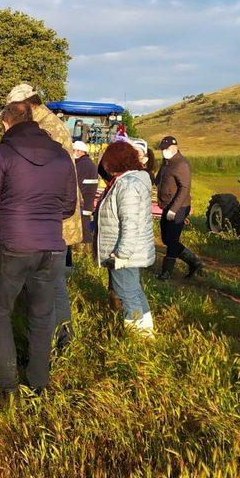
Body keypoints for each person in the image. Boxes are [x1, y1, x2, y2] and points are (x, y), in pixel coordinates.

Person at [0, 100, 77, 403]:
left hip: (14, 244)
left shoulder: (3, 153)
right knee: (42, 315)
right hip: (52, 247)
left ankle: (5, 386)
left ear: (6, 124)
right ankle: (38, 384)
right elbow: (69, 205)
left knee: (0, 311)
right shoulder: (61, 155)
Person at [7, 83, 83, 335]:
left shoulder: (45, 128)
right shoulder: (47, 123)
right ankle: (52, 334)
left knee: (52, 281)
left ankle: (60, 336)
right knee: (48, 279)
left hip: (51, 217)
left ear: (28, 104)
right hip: (53, 214)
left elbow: (43, 176)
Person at [95, 141, 155, 336]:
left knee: (127, 295)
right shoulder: (133, 180)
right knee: (135, 291)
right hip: (129, 250)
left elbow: (130, 223)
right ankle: (146, 333)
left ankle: (136, 338)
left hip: (123, 252)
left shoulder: (127, 185)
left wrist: (121, 254)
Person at [155, 135, 201, 280]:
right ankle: (194, 262)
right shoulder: (166, 162)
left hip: (179, 207)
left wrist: (174, 210)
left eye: (166, 149)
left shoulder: (181, 164)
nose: (164, 151)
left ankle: (166, 273)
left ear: (175, 148)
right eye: (162, 149)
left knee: (172, 240)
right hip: (167, 206)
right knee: (166, 239)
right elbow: (158, 180)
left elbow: (184, 188)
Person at [72, 140, 99, 250]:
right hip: (87, 201)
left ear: (80, 151)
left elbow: (75, 184)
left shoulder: (82, 165)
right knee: (85, 226)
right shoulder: (88, 163)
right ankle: (84, 252)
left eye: (74, 150)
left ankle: (82, 252)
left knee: (82, 228)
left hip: (82, 201)